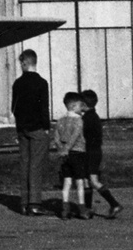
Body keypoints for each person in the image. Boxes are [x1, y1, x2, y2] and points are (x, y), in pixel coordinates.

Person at [11, 49, 51, 216]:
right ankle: (35, 203)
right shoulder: (42, 83)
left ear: (25, 63)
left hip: (22, 128)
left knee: (25, 164)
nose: (20, 65)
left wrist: (20, 124)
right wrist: (46, 126)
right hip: (37, 128)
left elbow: (13, 107)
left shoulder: (17, 83)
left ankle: (24, 202)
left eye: (21, 62)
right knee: (36, 165)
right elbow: (44, 108)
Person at [80, 88, 123, 219]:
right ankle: (88, 209)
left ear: (83, 104)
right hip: (95, 152)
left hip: (90, 153)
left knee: (92, 181)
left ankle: (114, 204)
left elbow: (83, 136)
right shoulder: (94, 116)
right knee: (87, 180)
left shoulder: (87, 119)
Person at [51, 92, 89, 219]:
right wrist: (67, 148)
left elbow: (56, 138)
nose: (82, 108)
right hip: (77, 153)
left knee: (66, 181)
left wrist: (61, 149)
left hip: (64, 155)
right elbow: (75, 136)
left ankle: (65, 209)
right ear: (73, 106)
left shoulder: (60, 121)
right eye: (80, 105)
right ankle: (82, 209)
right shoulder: (79, 120)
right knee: (79, 182)